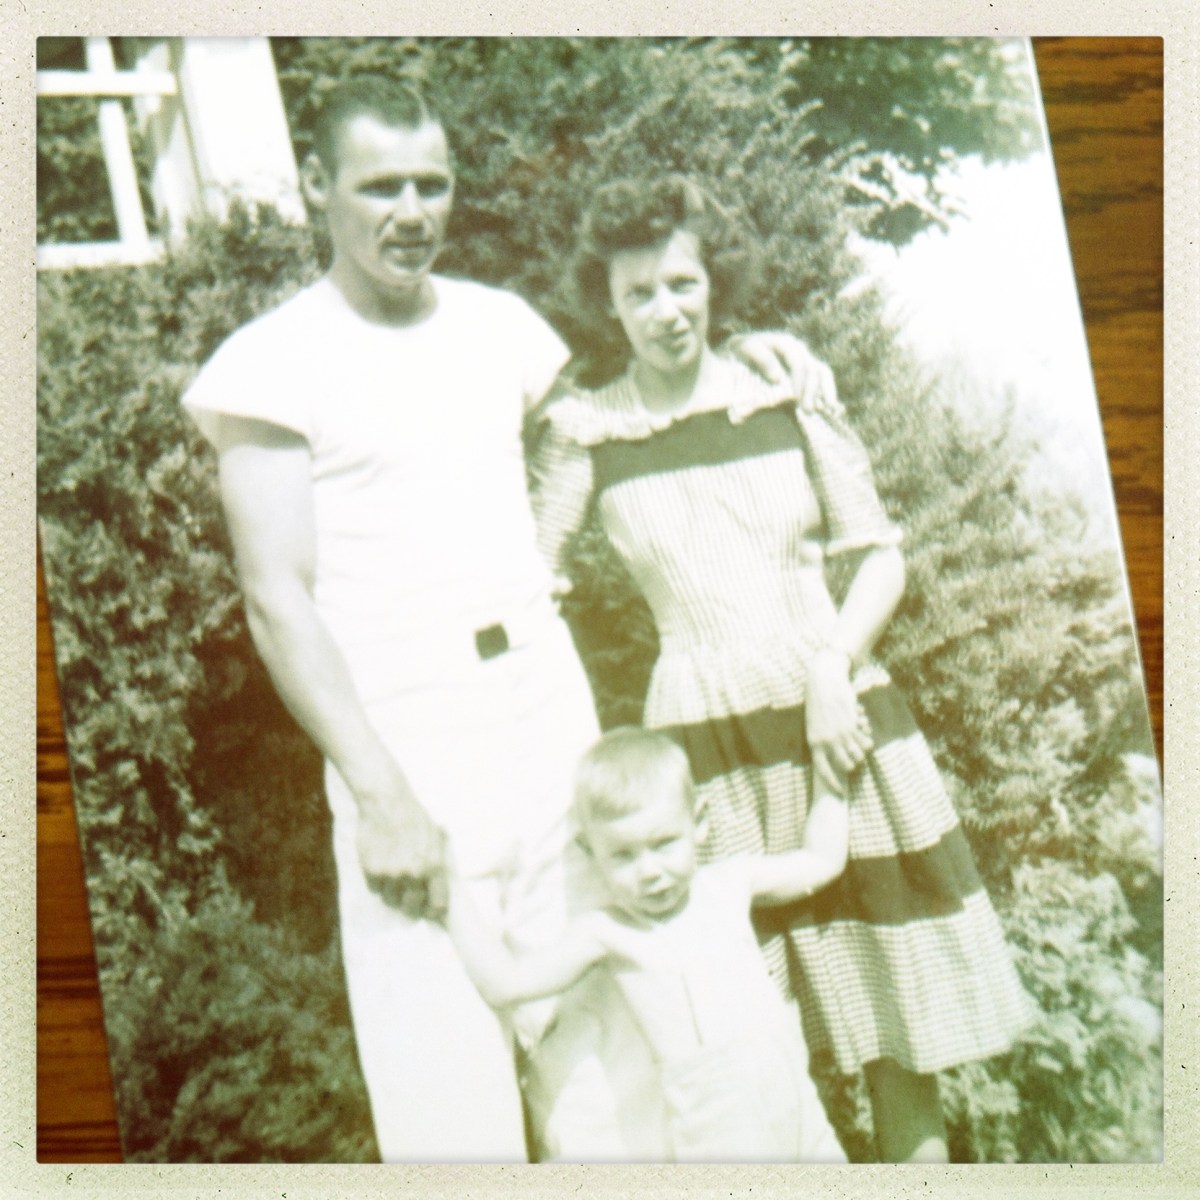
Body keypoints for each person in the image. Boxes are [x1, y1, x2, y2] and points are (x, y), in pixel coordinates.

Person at [180, 80, 828, 1161]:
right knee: (447, 1099)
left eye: (431, 184)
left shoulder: (500, 328)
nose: (411, 211)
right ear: (317, 186)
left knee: (614, 1069)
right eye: (380, 186)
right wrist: (380, 795)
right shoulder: (269, 364)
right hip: (405, 735)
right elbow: (276, 599)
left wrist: (747, 353)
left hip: (544, 707)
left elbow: (626, 414)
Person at [531, 174, 1036, 1162]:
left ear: (715, 282)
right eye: (639, 293)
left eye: (683, 283)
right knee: (743, 1046)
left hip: (833, 719)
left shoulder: (789, 392)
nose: (665, 310)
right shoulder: (586, 433)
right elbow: (528, 585)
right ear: (608, 304)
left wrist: (835, 668)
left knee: (899, 1035)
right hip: (701, 747)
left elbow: (880, 557)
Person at [447, 727, 850, 1162]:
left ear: (698, 823)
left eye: (664, 844)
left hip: (798, 1105)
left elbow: (821, 860)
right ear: (589, 852)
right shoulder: (607, 932)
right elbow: (506, 983)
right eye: (623, 855)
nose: (649, 871)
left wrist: (831, 767)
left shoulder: (731, 883)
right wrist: (445, 880)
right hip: (720, 1133)